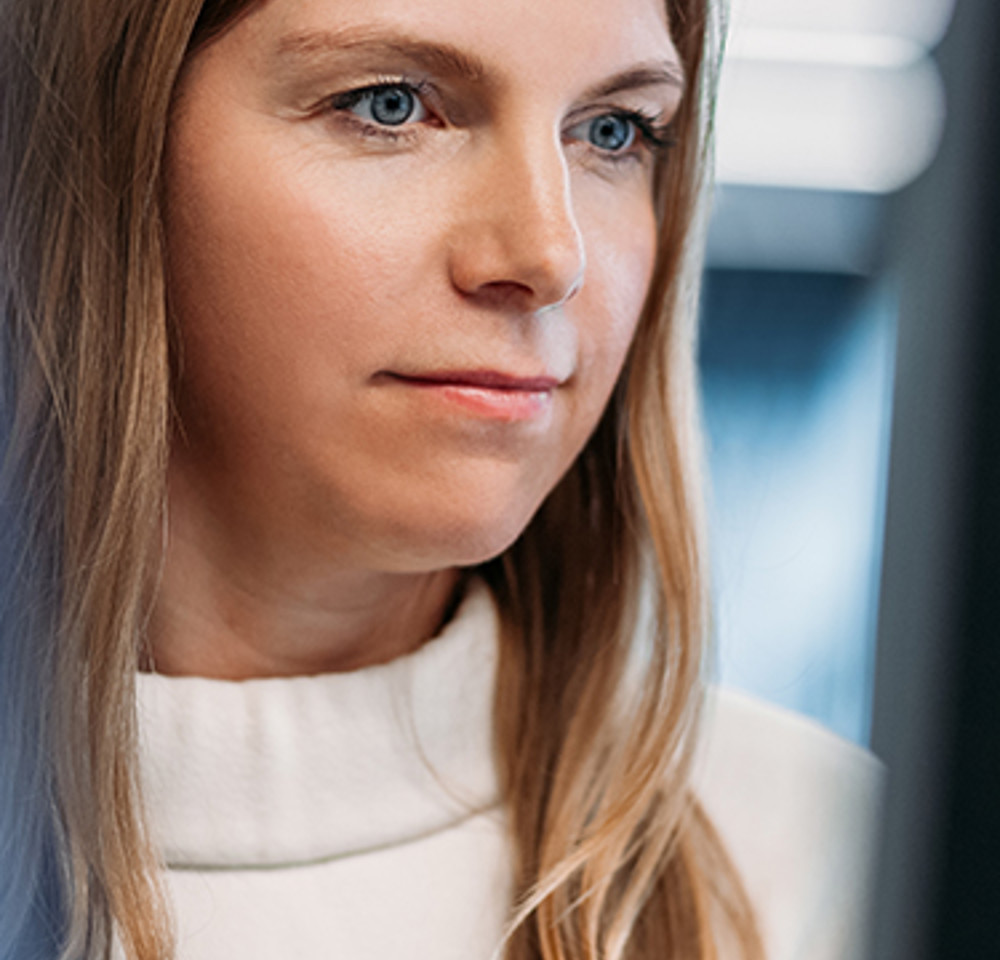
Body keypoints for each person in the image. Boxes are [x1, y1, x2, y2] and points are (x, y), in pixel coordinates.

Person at [0, 0, 882, 958]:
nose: (550, 256)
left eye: (613, 131)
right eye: (388, 106)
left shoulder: (831, 872)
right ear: (82, 148)